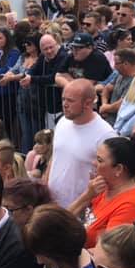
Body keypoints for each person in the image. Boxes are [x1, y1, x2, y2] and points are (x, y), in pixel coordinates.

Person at [69, 136, 135, 249]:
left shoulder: (131, 205)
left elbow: (109, 254)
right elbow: (64, 220)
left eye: (99, 160)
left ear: (118, 169)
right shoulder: (101, 189)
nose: (94, 163)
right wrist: (87, 196)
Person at [47, 79, 116, 208]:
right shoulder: (62, 121)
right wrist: (44, 190)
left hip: (81, 209)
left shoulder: (106, 134)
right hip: (52, 204)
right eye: (63, 99)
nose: (65, 104)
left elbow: (110, 177)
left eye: (70, 101)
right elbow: (54, 158)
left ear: (88, 103)